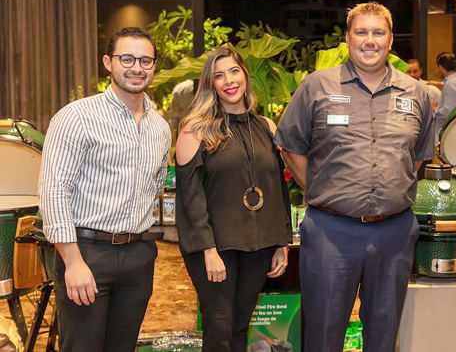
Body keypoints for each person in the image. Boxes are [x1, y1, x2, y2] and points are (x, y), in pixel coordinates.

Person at [275, 2, 435, 352]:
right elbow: (290, 147)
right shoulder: (317, 86)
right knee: (323, 332)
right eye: (361, 32)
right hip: (331, 232)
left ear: (391, 40)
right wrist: (323, 191)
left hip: (394, 232)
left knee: (383, 332)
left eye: (378, 33)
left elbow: (419, 158)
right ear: (348, 38)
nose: (369, 41)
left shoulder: (417, 93)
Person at [39, 27, 172, 351]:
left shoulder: (160, 127)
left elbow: (155, 186)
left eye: (145, 60)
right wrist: (72, 262)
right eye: (126, 58)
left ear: (154, 66)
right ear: (108, 62)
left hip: (139, 256)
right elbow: (54, 192)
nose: (136, 68)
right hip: (87, 254)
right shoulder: (77, 117)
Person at [175, 46, 292, 352]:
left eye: (234, 71)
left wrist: (282, 241)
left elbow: (277, 187)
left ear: (245, 75)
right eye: (218, 75)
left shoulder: (266, 127)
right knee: (220, 327)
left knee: (240, 325)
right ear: (209, 84)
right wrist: (207, 249)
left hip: (258, 243)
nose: (229, 80)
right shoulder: (195, 129)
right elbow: (190, 197)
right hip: (215, 246)